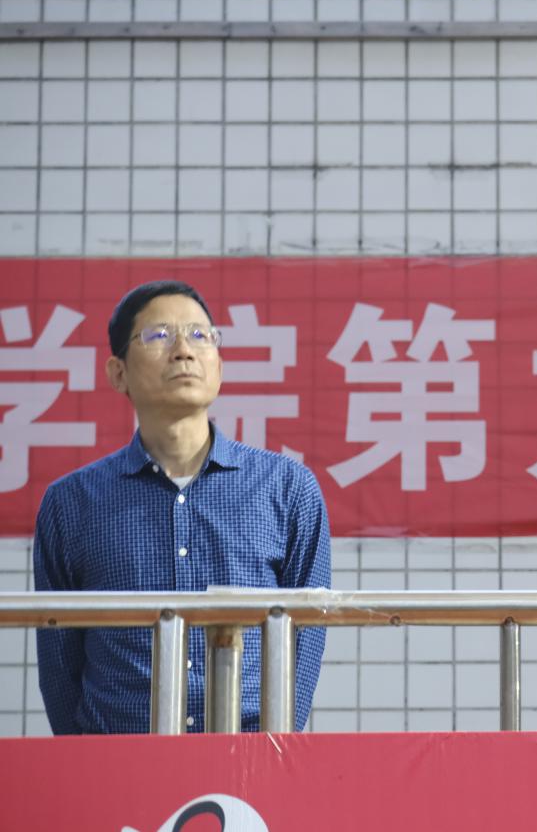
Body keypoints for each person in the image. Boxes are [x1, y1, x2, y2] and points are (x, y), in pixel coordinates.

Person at [34, 280, 331, 734]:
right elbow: (60, 662)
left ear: (219, 365)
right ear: (118, 373)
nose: (184, 351)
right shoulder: (71, 503)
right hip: (120, 756)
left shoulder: (287, 487)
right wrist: (85, 755)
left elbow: (307, 635)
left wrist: (276, 746)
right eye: (158, 335)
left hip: (248, 753)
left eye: (199, 335)